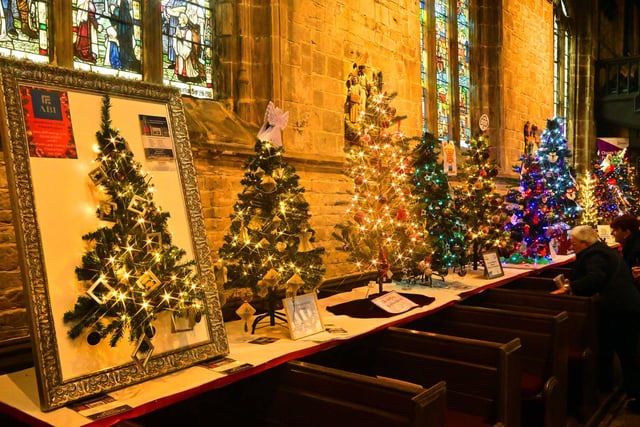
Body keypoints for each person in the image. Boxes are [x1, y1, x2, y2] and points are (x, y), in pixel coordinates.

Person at [554, 225, 640, 410]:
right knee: (611, 347)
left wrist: (570, 288)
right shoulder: (600, 250)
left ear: (584, 243)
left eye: (574, 243)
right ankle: (608, 384)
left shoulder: (594, 255)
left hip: (620, 308)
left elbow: (595, 278)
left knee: (627, 352)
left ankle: (636, 396)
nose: (572, 245)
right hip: (621, 305)